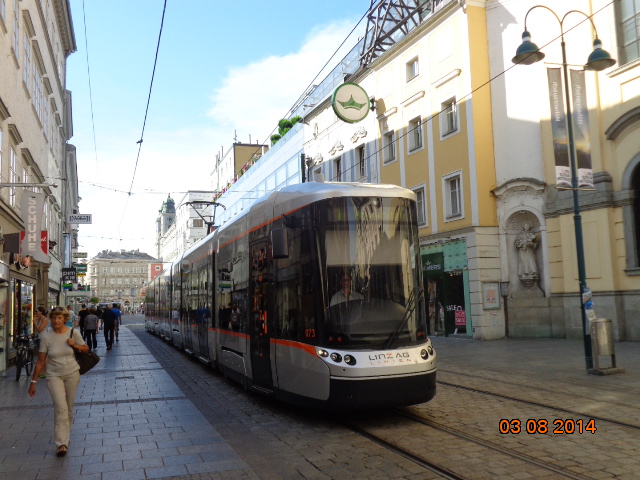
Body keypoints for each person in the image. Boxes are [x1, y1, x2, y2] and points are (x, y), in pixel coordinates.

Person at [28, 306, 89, 457]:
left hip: (72, 374)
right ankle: (61, 443)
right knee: (60, 407)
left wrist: (73, 344)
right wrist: (33, 381)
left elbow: (86, 348)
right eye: (54, 318)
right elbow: (41, 361)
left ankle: (65, 437)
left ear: (65, 319)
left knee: (68, 407)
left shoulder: (73, 333)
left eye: (59, 318)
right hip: (53, 375)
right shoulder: (47, 337)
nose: (56, 320)